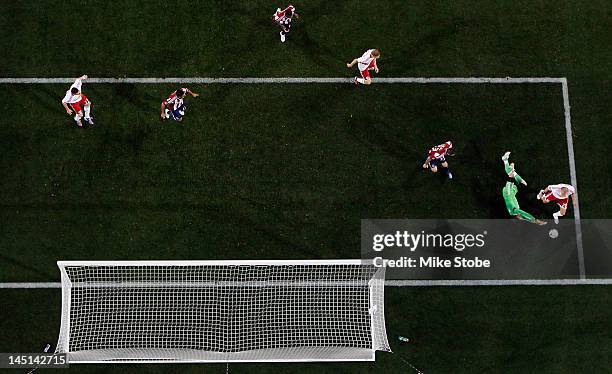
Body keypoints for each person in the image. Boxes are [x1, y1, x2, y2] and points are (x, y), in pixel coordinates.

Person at [501, 152, 547, 225]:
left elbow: (524, 214)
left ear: (516, 217)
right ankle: (510, 167)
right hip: (513, 192)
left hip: (508, 192)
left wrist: (534, 220)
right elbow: (524, 217)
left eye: (520, 218)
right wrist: (533, 221)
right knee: (522, 182)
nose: (521, 217)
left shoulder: (514, 211)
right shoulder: (517, 214)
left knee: (511, 176)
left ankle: (506, 161)